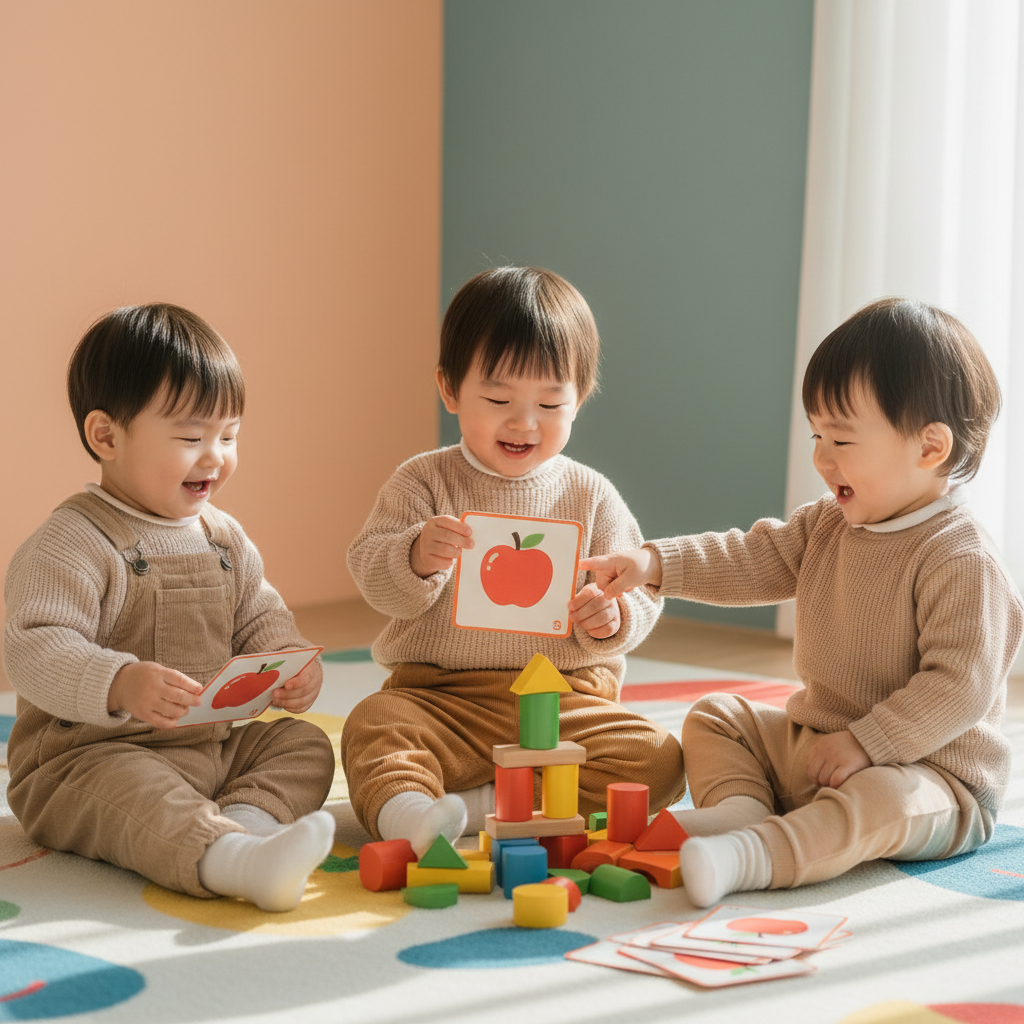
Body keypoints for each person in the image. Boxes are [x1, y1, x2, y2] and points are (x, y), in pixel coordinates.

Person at [580, 297, 1024, 907]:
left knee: (881, 801)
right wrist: (654, 563)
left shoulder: (960, 557)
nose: (821, 457)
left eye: (841, 439)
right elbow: (751, 557)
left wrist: (869, 745)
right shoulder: (830, 524)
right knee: (717, 715)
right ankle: (741, 811)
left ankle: (756, 854)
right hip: (819, 748)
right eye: (817, 435)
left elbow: (960, 688)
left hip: (930, 775)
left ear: (930, 449)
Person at [4, 304, 336, 912]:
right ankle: (227, 860)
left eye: (228, 436)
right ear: (106, 436)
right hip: (89, 761)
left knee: (305, 747)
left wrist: (287, 660)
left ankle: (247, 827)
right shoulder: (72, 542)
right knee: (138, 792)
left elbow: (259, 611)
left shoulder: (223, 536)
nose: (215, 457)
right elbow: (34, 646)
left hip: (210, 750)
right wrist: (119, 682)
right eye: (191, 438)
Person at [343, 266, 685, 853]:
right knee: (374, 725)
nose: (524, 422)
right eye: (498, 399)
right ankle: (412, 817)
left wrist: (614, 619)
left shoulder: (591, 494)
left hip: (562, 705)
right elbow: (374, 575)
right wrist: (415, 558)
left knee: (659, 759)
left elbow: (637, 588)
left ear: (580, 399)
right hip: (441, 700)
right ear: (450, 389)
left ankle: (482, 807)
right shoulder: (422, 481)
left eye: (551, 403)